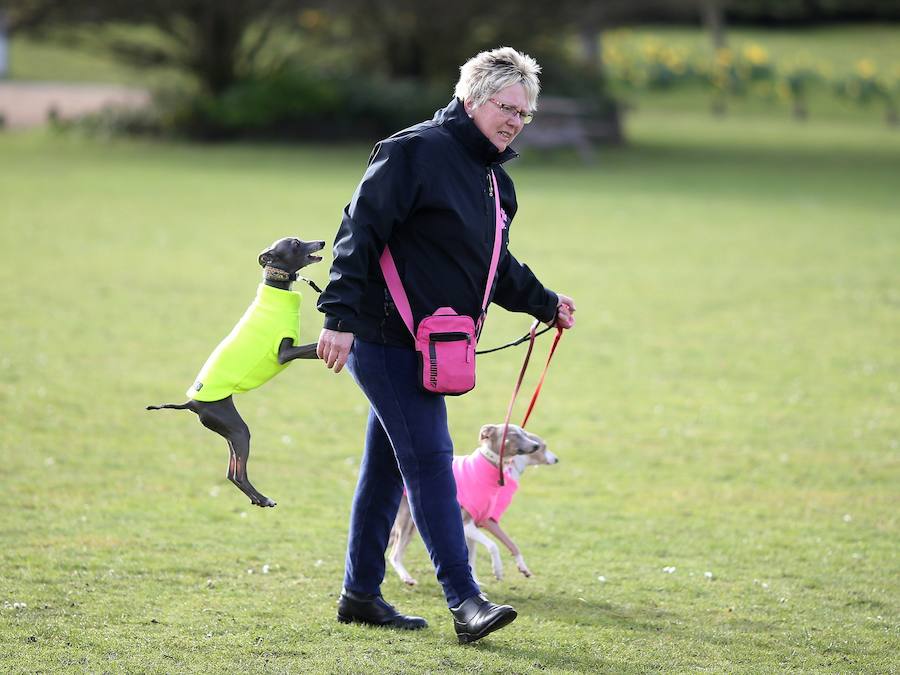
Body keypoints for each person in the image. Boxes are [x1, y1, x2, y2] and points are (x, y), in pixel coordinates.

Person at [316, 46, 576, 644]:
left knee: (387, 467)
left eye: (525, 112)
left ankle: (360, 593)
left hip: (436, 347)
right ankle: (466, 600)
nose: (514, 120)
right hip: (383, 338)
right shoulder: (413, 151)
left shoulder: (495, 182)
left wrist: (544, 302)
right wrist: (337, 315)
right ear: (473, 99)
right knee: (432, 461)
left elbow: (492, 266)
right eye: (506, 107)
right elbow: (359, 231)